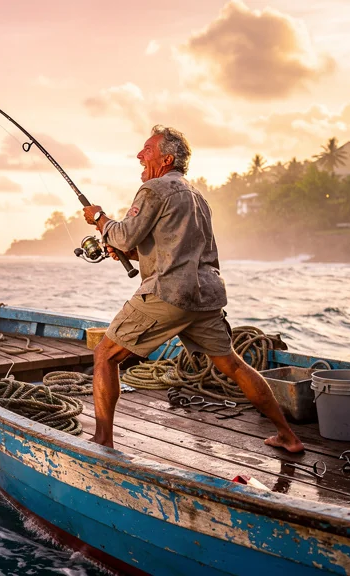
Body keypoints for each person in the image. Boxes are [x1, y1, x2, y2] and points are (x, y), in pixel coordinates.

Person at [82, 125, 303, 453]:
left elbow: (124, 235)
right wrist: (126, 252)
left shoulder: (154, 189)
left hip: (170, 293)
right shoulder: (197, 196)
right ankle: (289, 435)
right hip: (205, 295)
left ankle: (102, 440)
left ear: (166, 158)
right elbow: (160, 247)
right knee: (234, 364)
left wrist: (100, 218)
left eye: (147, 150)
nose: (140, 155)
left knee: (105, 355)